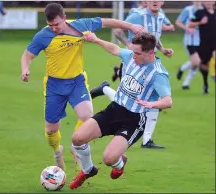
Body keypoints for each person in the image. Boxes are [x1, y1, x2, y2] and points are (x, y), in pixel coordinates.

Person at [20, 3, 144, 171]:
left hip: (77, 81)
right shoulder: (43, 36)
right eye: (51, 25)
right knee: (51, 130)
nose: (54, 28)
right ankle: (58, 151)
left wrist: (131, 26)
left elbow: (107, 22)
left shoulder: (81, 25)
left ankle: (75, 146)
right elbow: (27, 55)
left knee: (87, 116)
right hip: (54, 86)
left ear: (64, 18)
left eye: (57, 24)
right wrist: (25, 69)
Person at [69, 32, 172, 189]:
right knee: (77, 138)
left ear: (150, 52)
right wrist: (96, 39)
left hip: (134, 120)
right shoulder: (131, 56)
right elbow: (115, 49)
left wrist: (152, 105)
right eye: (133, 51)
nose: (133, 56)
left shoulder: (158, 74)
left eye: (138, 53)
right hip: (114, 110)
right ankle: (88, 169)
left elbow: (168, 100)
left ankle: (119, 163)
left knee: (108, 159)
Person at [91, 1, 174, 149]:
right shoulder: (137, 16)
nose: (155, 2)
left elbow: (153, 38)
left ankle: (147, 139)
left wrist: (162, 49)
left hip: (150, 64)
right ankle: (105, 89)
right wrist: (129, 46)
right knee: (130, 98)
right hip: (134, 62)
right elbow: (117, 30)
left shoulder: (160, 16)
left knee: (149, 100)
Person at [189, 1, 216, 94]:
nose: (208, 2)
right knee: (205, 66)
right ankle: (205, 84)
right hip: (204, 44)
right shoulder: (199, 13)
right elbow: (190, 24)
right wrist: (200, 22)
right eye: (206, 0)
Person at [175, 1, 203, 90]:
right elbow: (178, 22)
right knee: (196, 61)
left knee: (197, 63)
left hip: (202, 41)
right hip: (190, 41)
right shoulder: (188, 10)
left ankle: (185, 82)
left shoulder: (204, 10)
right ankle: (183, 72)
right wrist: (187, 28)